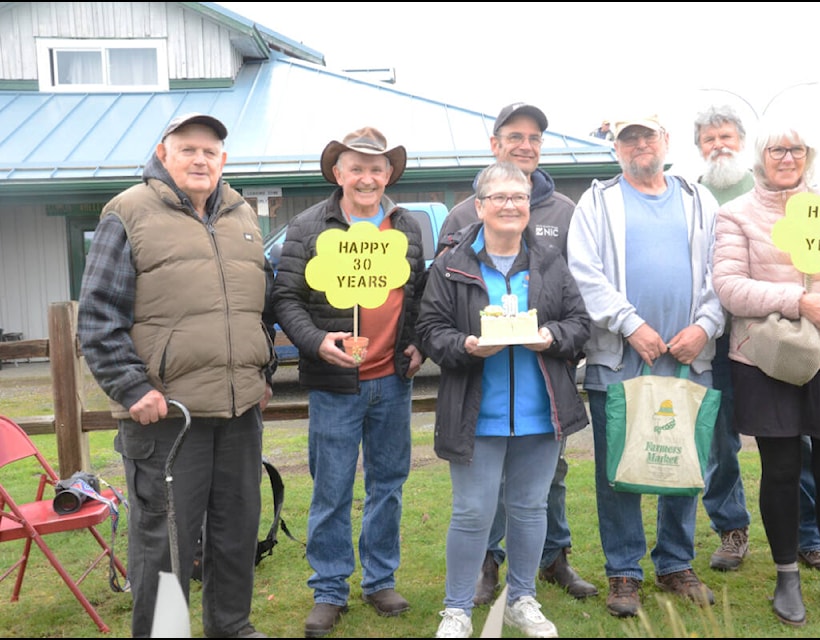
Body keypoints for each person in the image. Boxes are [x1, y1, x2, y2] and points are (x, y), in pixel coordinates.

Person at [77, 112, 276, 639]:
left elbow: (260, 309)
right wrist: (131, 386)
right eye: (187, 149)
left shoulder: (243, 217)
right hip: (168, 416)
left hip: (237, 413)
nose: (200, 159)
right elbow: (98, 317)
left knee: (236, 533)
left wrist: (262, 368)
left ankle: (230, 626)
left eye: (210, 152)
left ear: (224, 161)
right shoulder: (128, 213)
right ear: (163, 155)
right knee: (164, 543)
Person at [712, 119, 820, 626]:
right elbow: (728, 285)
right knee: (781, 471)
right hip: (768, 358)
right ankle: (787, 576)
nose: (787, 158)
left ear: (808, 154)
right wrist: (800, 301)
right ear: (760, 157)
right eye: (776, 149)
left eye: (796, 149)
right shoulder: (734, 215)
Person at [417, 161, 591, 638]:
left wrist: (550, 337)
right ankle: (456, 609)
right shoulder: (451, 264)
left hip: (540, 412)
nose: (511, 205)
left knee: (530, 509)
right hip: (477, 412)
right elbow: (430, 330)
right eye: (500, 197)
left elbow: (580, 325)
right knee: (472, 512)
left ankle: (522, 598)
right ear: (480, 206)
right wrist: (468, 346)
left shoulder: (550, 262)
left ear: (529, 206)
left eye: (520, 197)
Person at [271, 126, 426, 638]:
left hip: (392, 379)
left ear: (389, 174)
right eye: (355, 167)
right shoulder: (309, 227)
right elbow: (285, 300)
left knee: (388, 484)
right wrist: (315, 341)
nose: (366, 177)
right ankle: (330, 588)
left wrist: (416, 340)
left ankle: (380, 579)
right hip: (336, 381)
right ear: (338, 173)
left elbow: (420, 295)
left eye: (376, 168)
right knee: (332, 488)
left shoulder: (408, 227)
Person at [566, 115, 724, 616]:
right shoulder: (596, 201)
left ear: (666, 141)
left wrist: (705, 325)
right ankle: (623, 573)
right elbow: (584, 273)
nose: (638, 145)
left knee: (683, 458)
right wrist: (630, 323)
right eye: (627, 138)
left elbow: (724, 270)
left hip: (688, 355)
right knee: (618, 468)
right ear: (616, 148)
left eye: (646, 135)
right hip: (620, 355)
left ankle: (677, 563)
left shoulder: (701, 201)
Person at [692, 104, 820, 572]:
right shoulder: (692, 193)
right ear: (698, 147)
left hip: (779, 337)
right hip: (716, 339)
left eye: (726, 136)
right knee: (719, 442)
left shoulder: (773, 186)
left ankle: (809, 532)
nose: (718, 145)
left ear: (745, 142)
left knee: (799, 439)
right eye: (709, 139)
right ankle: (732, 528)